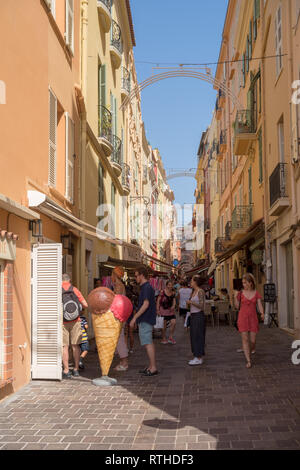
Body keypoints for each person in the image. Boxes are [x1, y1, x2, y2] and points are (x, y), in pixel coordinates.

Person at [130, 266, 158, 376]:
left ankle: (153, 367)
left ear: (142, 275)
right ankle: (151, 366)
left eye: (136, 275)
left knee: (148, 342)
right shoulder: (146, 287)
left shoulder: (146, 288)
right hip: (146, 318)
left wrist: (135, 317)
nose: (135, 278)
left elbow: (145, 304)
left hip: (146, 318)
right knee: (148, 342)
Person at [234, 273, 265, 369]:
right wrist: (234, 297)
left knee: (252, 340)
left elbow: (259, 304)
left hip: (253, 318)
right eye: (243, 283)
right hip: (242, 317)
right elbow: (236, 306)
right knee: (245, 339)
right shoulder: (240, 293)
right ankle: (248, 360)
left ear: (251, 283)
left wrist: (262, 313)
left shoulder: (256, 293)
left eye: (245, 282)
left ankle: (252, 348)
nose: (244, 285)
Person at [62, 274, 88, 379]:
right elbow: (86, 305)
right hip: (76, 320)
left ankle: (66, 370)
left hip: (62, 321)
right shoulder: (75, 290)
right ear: (70, 280)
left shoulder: (57, 289)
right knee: (75, 346)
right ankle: (76, 369)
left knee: (65, 346)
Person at [186, 275, 206, 366]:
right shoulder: (193, 291)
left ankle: (199, 357)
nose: (190, 282)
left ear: (195, 282)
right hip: (193, 316)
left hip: (199, 316)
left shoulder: (200, 291)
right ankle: (196, 355)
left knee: (198, 336)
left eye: (192, 280)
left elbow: (202, 306)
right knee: (193, 336)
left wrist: (191, 302)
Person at [111, 267, 129, 371]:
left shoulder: (118, 286)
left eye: (111, 274)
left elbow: (115, 301)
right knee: (119, 338)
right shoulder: (121, 285)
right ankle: (122, 361)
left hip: (119, 315)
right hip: (121, 314)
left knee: (119, 339)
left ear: (114, 275)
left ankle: (124, 362)